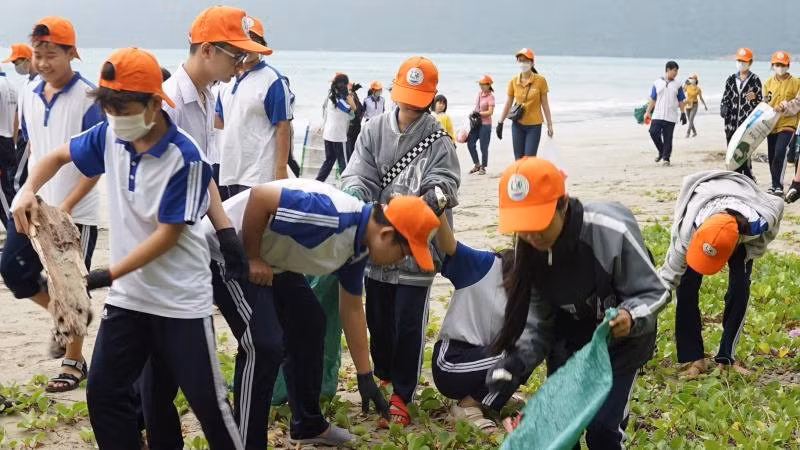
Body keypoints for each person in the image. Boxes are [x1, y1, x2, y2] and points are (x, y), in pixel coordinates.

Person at [11, 47, 245, 450]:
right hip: (129, 301)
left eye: (124, 109)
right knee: (104, 394)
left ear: (155, 103)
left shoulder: (185, 157)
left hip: (180, 304)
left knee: (210, 406)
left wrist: (106, 274)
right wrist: (27, 190)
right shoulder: (109, 134)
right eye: (109, 108)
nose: (116, 118)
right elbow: (57, 156)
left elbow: (168, 234)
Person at [202, 180, 442, 446]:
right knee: (263, 344)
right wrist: (252, 257)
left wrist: (365, 376)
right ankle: (247, 443)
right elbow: (260, 197)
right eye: (405, 253)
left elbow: (351, 308)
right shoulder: (332, 216)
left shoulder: (360, 243)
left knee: (310, 323)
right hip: (227, 251)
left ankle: (308, 424)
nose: (402, 261)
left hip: (272, 258)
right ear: (386, 235)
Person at [486, 157, 669, 449]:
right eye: (522, 226)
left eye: (538, 223)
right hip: (569, 342)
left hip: (620, 344)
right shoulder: (529, 249)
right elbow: (537, 323)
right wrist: (515, 363)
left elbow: (655, 291)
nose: (532, 235)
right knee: (560, 428)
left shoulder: (611, 230)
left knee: (602, 430)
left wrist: (630, 316)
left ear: (563, 205)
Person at [342, 56, 460, 428]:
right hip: (378, 246)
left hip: (415, 248)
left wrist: (414, 211)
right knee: (378, 319)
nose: (411, 105)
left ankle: (402, 393)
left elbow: (445, 187)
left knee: (409, 322)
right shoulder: (372, 129)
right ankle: (384, 374)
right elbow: (357, 174)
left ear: (431, 98)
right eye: (406, 96)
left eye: (419, 99)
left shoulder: (440, 140)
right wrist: (356, 199)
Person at [0, 16, 105, 393]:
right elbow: (33, 146)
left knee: (71, 287)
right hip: (35, 204)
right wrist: (25, 190)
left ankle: (74, 361)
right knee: (13, 269)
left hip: (77, 211)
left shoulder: (88, 98)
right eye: (38, 55)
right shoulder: (29, 91)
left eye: (51, 55)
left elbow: (98, 162)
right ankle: (68, 315)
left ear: (71, 53)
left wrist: (68, 207)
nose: (43, 63)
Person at [659, 170, 783, 378]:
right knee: (685, 285)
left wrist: (754, 250)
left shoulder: (759, 221)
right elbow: (667, 278)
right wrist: (638, 314)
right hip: (706, 202)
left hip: (741, 219)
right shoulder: (686, 231)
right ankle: (694, 358)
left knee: (740, 285)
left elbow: (778, 204)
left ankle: (727, 357)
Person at [430, 215, 515, 432]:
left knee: (529, 351)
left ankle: (489, 398)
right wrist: (439, 211)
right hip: (451, 362)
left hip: (483, 358)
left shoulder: (537, 292)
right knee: (516, 357)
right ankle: (468, 406)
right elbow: (449, 246)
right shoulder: (484, 266)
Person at [215, 15, 292, 201]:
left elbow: (283, 126)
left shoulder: (273, 80)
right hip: (229, 169)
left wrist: (281, 168)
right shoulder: (226, 79)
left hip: (258, 171)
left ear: (261, 45)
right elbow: (219, 121)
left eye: (254, 40)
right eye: (244, 39)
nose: (248, 46)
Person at [496, 48, 553, 160]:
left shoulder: (541, 81)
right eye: (520, 60)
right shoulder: (513, 81)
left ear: (532, 63)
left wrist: (549, 125)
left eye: (526, 61)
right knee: (518, 159)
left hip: (534, 126)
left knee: (529, 159)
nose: (523, 63)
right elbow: (508, 103)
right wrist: (500, 122)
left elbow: (545, 104)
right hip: (517, 125)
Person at [762, 51, 800, 197]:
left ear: (788, 65)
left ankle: (778, 184)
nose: (780, 67)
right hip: (771, 125)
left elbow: (798, 102)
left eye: (782, 64)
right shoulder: (767, 84)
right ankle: (774, 185)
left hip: (788, 123)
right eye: (777, 64)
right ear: (773, 65)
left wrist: (785, 106)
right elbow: (764, 104)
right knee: (772, 155)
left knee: (780, 151)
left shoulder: (796, 82)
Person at [721, 48, 762, 180]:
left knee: (743, 151)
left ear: (750, 62)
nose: (741, 63)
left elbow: (760, 102)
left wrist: (755, 98)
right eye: (739, 60)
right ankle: (735, 176)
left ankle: (747, 175)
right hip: (731, 123)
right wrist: (724, 107)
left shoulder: (755, 80)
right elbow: (725, 97)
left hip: (747, 123)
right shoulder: (730, 79)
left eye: (744, 61)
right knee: (731, 150)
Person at [2, 43, 37, 193]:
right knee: (16, 175)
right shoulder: (24, 84)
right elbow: (18, 114)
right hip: (19, 137)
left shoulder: (39, 83)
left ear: (28, 59)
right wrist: (14, 140)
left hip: (28, 137)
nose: (15, 67)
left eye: (16, 63)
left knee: (16, 179)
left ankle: (16, 207)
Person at [644, 61, 687, 166]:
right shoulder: (657, 83)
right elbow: (653, 99)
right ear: (668, 69)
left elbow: (681, 100)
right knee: (653, 132)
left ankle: (666, 159)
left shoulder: (678, 85)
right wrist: (648, 112)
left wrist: (683, 113)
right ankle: (661, 151)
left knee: (668, 138)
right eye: (674, 71)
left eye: (677, 71)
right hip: (658, 114)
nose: (676, 73)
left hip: (671, 116)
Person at [317, 73, 355, 182]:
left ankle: (318, 181)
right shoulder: (340, 101)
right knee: (343, 162)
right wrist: (349, 94)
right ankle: (347, 184)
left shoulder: (330, 98)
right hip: (338, 136)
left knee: (329, 161)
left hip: (328, 135)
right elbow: (353, 109)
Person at [467, 75, 495, 175]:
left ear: (489, 85)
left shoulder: (491, 97)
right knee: (470, 143)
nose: (481, 86)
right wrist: (473, 113)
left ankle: (483, 167)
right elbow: (477, 108)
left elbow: (490, 112)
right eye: (480, 84)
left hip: (486, 125)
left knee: (483, 147)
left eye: (483, 84)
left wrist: (479, 113)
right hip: (477, 124)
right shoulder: (479, 94)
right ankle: (477, 164)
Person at [0, 65, 17, 225]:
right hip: (8, 140)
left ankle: (14, 227)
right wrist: (14, 142)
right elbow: (16, 119)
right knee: (8, 188)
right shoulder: (12, 85)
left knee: (2, 192)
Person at [346, 82, 364, 162]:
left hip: (355, 128)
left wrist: (359, 119)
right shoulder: (345, 99)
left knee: (354, 151)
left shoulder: (355, 98)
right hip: (349, 129)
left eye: (351, 90)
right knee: (349, 152)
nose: (350, 92)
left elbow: (361, 111)